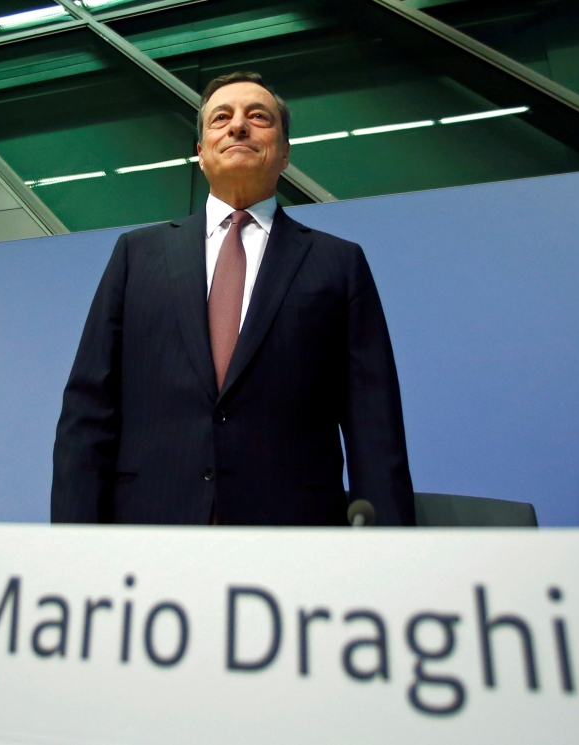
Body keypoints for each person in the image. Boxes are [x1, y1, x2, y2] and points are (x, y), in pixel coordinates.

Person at [52, 71, 415, 526]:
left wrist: (393, 555)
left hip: (293, 534)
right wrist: (68, 545)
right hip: (148, 529)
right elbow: (89, 409)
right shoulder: (136, 255)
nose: (238, 126)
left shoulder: (338, 263)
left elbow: (374, 426)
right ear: (201, 153)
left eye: (258, 117)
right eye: (221, 118)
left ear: (284, 152)